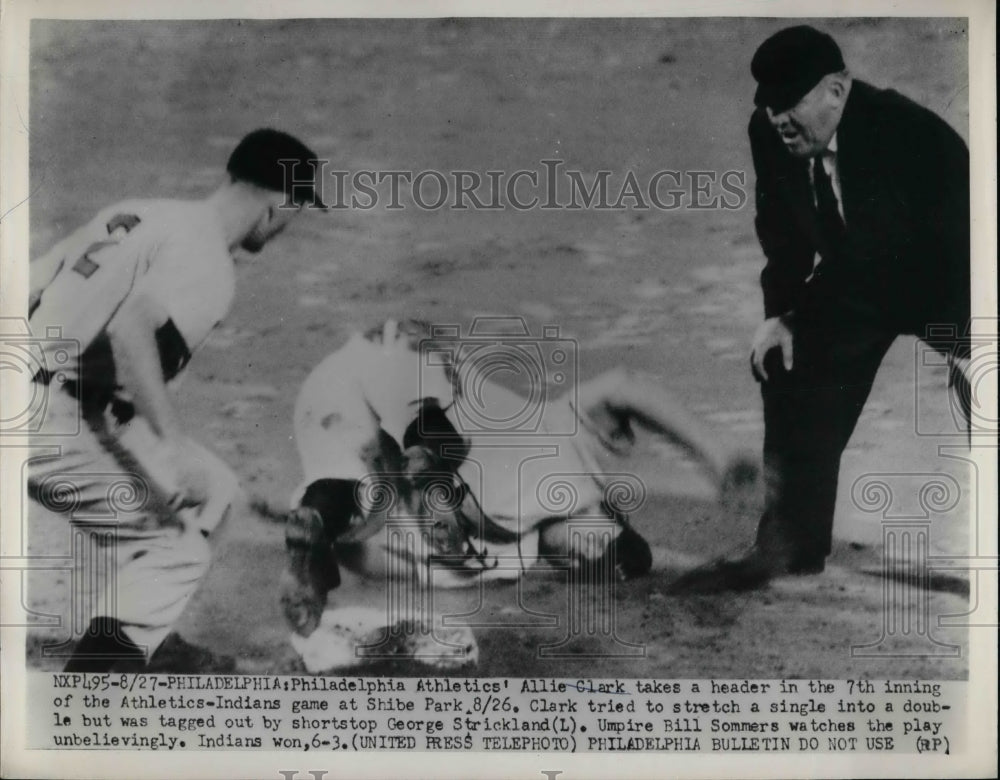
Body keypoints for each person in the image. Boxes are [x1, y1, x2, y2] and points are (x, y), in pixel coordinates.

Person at [672, 26, 971, 593]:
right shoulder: (769, 132)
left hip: (950, 278)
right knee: (785, 361)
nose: (780, 118)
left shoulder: (915, 136)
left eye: (792, 102)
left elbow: (973, 242)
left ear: (836, 90)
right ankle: (789, 546)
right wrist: (780, 313)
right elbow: (782, 230)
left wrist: (972, 347)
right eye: (770, 104)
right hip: (858, 280)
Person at [27, 128, 326, 671]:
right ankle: (88, 705)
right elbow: (130, 331)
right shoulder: (210, 264)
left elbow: (26, 286)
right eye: (299, 209)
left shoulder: (138, 213)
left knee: (217, 493)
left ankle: (147, 642)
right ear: (280, 204)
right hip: (57, 421)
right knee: (176, 551)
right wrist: (172, 442)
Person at [279, 318, 755, 640]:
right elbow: (625, 385)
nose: (588, 556)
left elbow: (382, 561)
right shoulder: (570, 440)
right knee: (435, 416)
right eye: (607, 542)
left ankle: (317, 521)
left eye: (589, 567)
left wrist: (333, 544)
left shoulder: (500, 562)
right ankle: (427, 462)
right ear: (609, 511)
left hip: (331, 403)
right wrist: (720, 455)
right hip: (406, 355)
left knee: (349, 494)